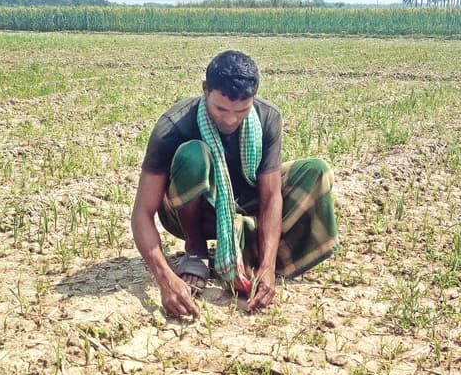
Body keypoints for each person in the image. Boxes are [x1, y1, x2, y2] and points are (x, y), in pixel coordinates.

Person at [132, 50, 338, 317]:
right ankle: (197, 252)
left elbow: (270, 197)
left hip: (244, 203)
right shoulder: (173, 126)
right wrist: (164, 278)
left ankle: (252, 254)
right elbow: (142, 213)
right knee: (193, 154)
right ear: (205, 90)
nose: (230, 119)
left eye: (241, 111)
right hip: (192, 210)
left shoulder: (268, 118)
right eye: (220, 109)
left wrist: (266, 267)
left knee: (316, 171)